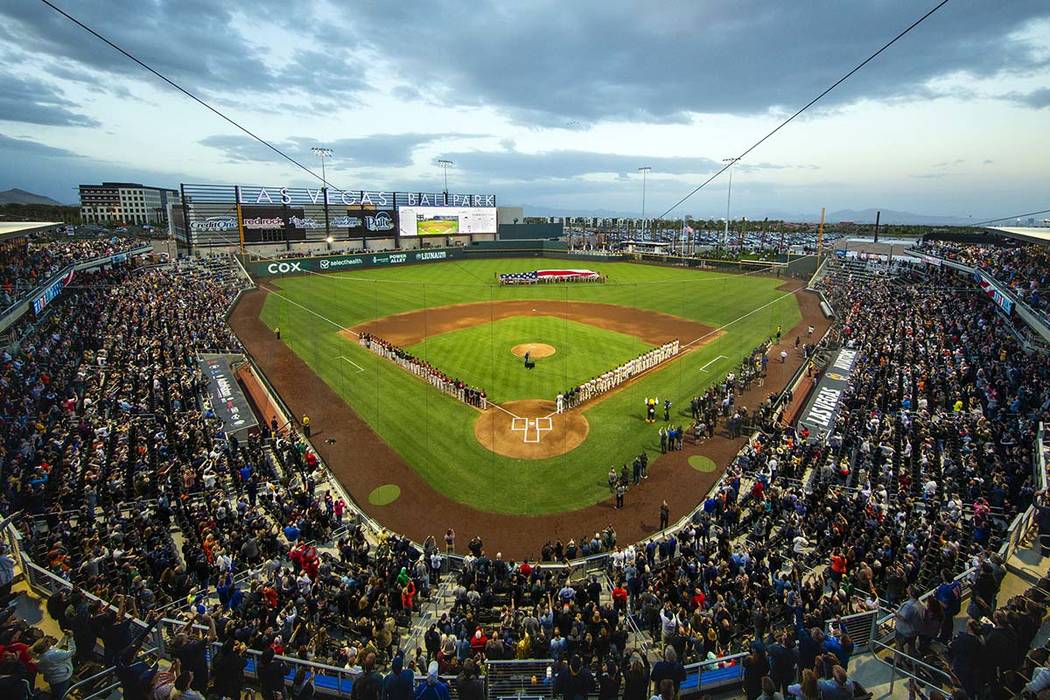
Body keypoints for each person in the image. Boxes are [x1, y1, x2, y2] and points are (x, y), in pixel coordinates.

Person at [36, 634, 76, 699]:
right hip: (61, 679)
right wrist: (71, 638)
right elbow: (71, 652)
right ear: (46, 645)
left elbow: (57, 646)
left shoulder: (43, 655)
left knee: (56, 692)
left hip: (54, 679)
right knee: (60, 696)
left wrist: (65, 636)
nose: (50, 641)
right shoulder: (53, 655)